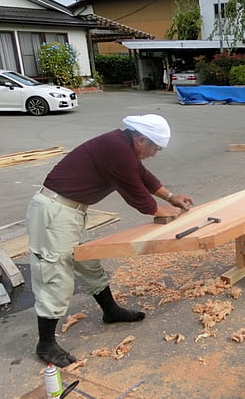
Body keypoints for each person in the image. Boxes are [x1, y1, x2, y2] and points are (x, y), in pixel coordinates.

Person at [26, 114, 193, 367]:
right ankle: (46, 344)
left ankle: (110, 311)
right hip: (54, 212)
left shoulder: (122, 145)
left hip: (71, 211)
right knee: (54, 273)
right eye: (155, 148)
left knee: (88, 263)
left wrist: (171, 197)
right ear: (140, 139)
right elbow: (138, 197)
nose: (155, 153)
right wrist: (162, 210)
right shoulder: (118, 150)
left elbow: (143, 176)